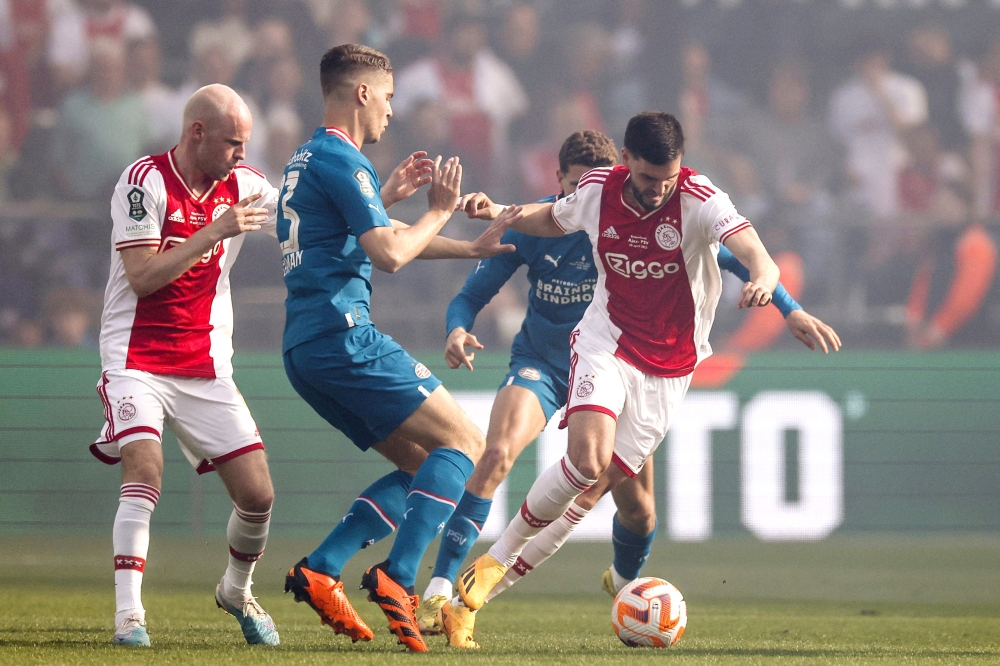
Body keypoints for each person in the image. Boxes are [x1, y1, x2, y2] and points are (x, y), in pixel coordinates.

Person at [416, 130, 840, 648]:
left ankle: (518, 586)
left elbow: (755, 256)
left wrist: (776, 294)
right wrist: (497, 211)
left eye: (668, 178)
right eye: (647, 177)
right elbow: (547, 217)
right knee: (573, 462)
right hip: (601, 345)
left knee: (614, 498)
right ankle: (460, 581)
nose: (659, 190)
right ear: (626, 162)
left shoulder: (702, 200)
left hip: (668, 368)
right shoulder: (597, 190)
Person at [276, 44, 519, 653]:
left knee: (420, 467)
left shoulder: (307, 158)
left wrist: (465, 248)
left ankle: (323, 566)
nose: (390, 110)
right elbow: (386, 255)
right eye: (386, 97)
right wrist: (439, 211)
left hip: (305, 349)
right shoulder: (342, 158)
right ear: (361, 93)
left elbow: (359, 241)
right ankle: (399, 577)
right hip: (343, 336)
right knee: (466, 444)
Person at [91, 84, 281, 647]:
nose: (242, 156)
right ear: (196, 132)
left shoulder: (243, 186)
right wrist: (212, 232)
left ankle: (236, 591)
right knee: (145, 470)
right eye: (233, 143)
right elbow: (143, 278)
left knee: (258, 496)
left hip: (204, 365)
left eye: (246, 145)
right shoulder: (142, 181)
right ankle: (129, 616)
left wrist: (383, 199)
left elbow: (311, 217)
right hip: (136, 358)